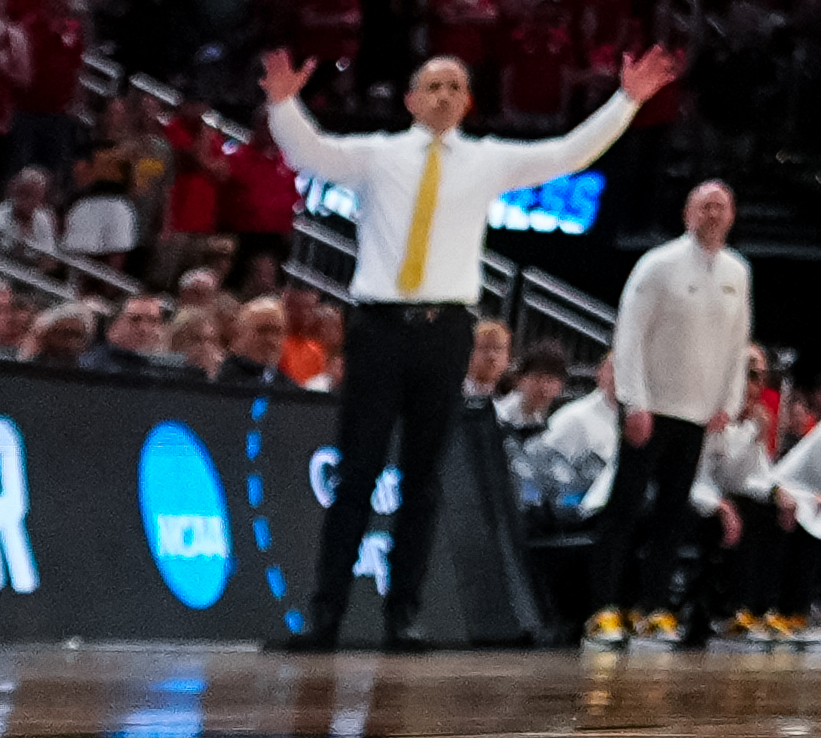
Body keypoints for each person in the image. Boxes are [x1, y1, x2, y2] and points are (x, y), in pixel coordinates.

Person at [264, 39, 682, 648]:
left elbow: (568, 154)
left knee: (423, 478)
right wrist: (282, 106)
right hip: (379, 325)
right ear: (410, 100)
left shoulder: (487, 161)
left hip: (446, 330)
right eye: (432, 85)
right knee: (356, 473)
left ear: (469, 103)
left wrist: (626, 100)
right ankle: (324, 617)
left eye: (455, 87)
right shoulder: (378, 155)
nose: (443, 95)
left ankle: (402, 616)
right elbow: (312, 152)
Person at [606, 174, 756, 645]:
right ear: (688, 214)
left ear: (732, 216)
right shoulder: (659, 264)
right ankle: (606, 608)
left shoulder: (738, 272)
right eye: (705, 206)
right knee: (625, 510)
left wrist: (728, 403)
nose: (713, 215)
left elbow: (738, 345)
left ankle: (653, 609)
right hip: (651, 410)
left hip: (695, 415)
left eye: (722, 207)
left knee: (673, 516)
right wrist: (634, 400)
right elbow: (628, 334)